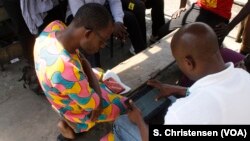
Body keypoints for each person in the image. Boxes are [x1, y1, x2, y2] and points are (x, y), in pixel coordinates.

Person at [113, 22, 250, 141]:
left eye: (178, 62)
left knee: (122, 122)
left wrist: (139, 120)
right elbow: (214, 93)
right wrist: (177, 89)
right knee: (170, 100)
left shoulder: (182, 111)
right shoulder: (243, 76)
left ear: (188, 63)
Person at [33, 3, 127, 140]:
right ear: (88, 33)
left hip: (60, 96)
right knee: (127, 105)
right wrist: (87, 65)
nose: (103, 46)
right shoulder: (66, 71)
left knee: (100, 74)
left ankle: (69, 123)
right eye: (102, 41)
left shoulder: (55, 26)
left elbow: (79, 60)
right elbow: (97, 105)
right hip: (78, 109)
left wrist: (85, 63)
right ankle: (77, 125)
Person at [155, 0, 250, 46]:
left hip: (219, 17)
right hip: (198, 8)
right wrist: (182, 6)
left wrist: (230, 26)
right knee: (162, 32)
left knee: (207, 52)